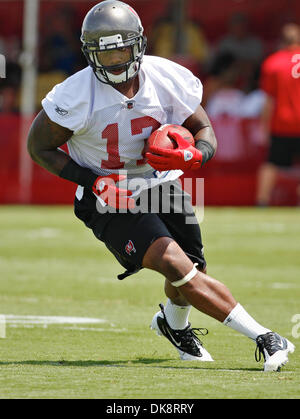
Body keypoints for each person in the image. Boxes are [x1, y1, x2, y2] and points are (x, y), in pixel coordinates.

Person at [27, 0, 295, 371]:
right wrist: (93, 181)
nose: (116, 61)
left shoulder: (166, 78)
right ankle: (265, 337)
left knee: (191, 269)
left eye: (122, 49)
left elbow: (204, 132)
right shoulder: (75, 95)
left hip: (161, 183)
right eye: (105, 54)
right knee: (175, 262)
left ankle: (173, 325)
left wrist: (194, 156)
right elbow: (37, 147)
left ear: (139, 45)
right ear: (90, 55)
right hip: (109, 195)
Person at [256, 23, 300, 206]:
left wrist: (264, 126)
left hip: (282, 122)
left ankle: (262, 202)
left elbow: (269, 100)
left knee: (272, 163)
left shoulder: (273, 62)